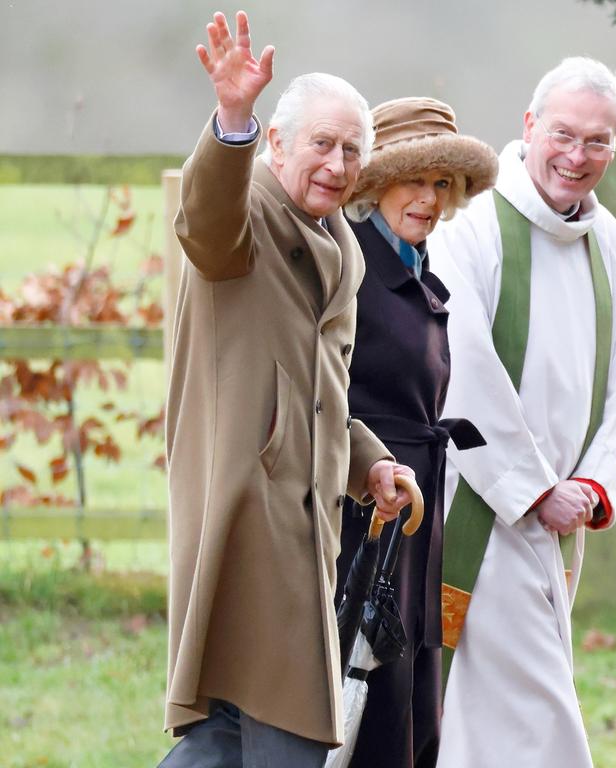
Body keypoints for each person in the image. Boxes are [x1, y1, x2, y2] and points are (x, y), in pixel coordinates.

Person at [160, 11, 417, 768]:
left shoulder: (343, 244)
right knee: (291, 730)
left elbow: (320, 387)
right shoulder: (246, 219)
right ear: (276, 143)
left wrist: (366, 461)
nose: (338, 164)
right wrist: (231, 119)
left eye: (352, 150)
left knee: (225, 735)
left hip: (308, 520)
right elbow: (204, 223)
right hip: (245, 513)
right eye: (321, 144)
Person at [427, 57, 616, 767]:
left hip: (559, 521)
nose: (577, 157)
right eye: (564, 134)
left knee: (497, 719)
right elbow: (461, 369)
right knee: (537, 725)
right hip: (485, 509)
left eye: (598, 142)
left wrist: (590, 485)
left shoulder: (605, 241)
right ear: (529, 126)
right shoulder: (475, 225)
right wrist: (536, 490)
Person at [333, 98, 496, 768]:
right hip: (364, 513)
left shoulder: (416, 261)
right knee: (367, 688)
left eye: (441, 184)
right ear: (375, 183)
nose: (429, 199)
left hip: (418, 505)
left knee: (417, 690)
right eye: (413, 180)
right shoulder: (352, 261)